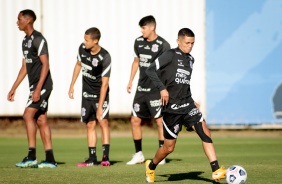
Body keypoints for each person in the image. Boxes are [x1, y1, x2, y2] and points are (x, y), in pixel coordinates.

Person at [144, 28, 226, 182]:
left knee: (205, 132)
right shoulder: (170, 55)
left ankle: (216, 169)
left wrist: (192, 99)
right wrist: (162, 88)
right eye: (187, 43)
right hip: (171, 108)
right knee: (169, 148)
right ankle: (151, 166)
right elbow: (150, 70)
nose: (190, 46)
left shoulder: (190, 60)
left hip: (187, 104)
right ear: (178, 41)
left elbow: (184, 83)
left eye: (192, 43)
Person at [7, 9, 57, 168]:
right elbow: (25, 67)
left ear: (28, 21)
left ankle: (31, 155)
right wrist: (13, 87)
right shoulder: (25, 41)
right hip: (35, 86)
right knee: (41, 120)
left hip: (42, 85)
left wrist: (38, 89)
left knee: (28, 115)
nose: (17, 22)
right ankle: (50, 159)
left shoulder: (38, 39)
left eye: (19, 19)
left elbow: (46, 65)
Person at [126, 15, 171, 165]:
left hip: (155, 90)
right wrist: (130, 80)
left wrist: (164, 88)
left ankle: (161, 153)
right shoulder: (138, 42)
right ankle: (138, 154)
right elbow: (136, 61)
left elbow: (167, 69)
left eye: (144, 27)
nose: (141, 30)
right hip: (141, 88)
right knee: (135, 119)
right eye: (141, 27)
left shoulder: (163, 45)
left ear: (152, 27)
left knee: (159, 121)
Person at [68, 27, 111, 167]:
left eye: (87, 40)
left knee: (103, 122)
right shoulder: (82, 49)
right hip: (86, 95)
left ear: (95, 41)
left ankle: (105, 158)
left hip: (100, 95)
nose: (84, 42)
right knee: (90, 124)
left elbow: (105, 84)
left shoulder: (105, 56)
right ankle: (92, 159)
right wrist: (72, 85)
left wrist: (100, 106)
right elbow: (78, 65)